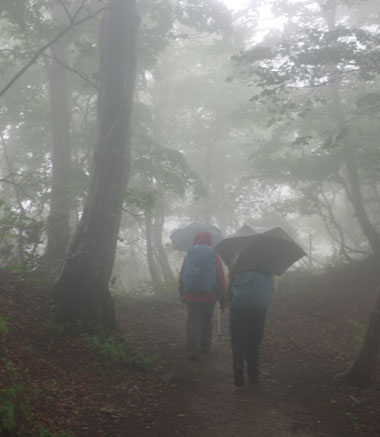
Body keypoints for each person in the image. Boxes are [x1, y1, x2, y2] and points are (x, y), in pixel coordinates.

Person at [179, 231, 226, 361]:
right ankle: (205, 346)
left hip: (191, 294)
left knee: (193, 320)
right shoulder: (214, 254)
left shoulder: (189, 254)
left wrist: (183, 291)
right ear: (210, 240)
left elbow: (182, 273)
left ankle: (192, 348)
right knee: (207, 319)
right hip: (209, 294)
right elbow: (221, 275)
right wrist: (222, 294)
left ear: (196, 239)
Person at [228, 270, 273, 386]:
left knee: (238, 340)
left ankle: (238, 366)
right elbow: (272, 288)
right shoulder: (267, 267)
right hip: (259, 308)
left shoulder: (238, 265)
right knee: (255, 341)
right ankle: (253, 375)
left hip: (239, 308)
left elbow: (229, 287)